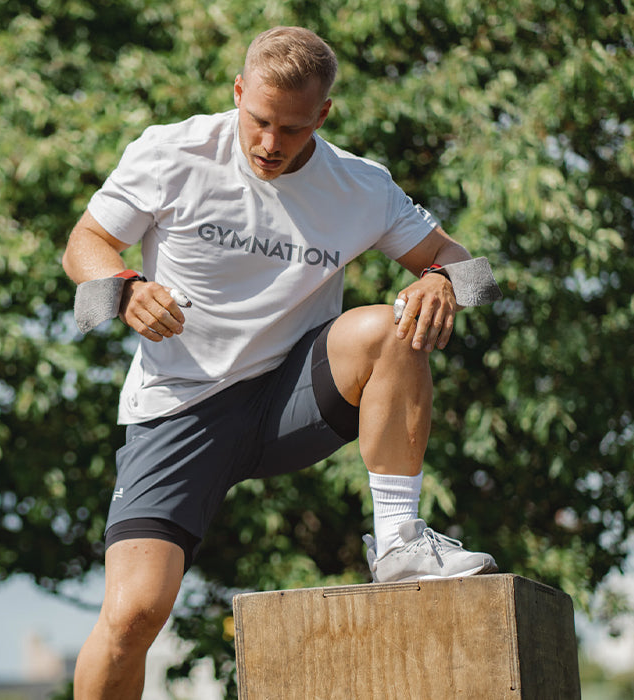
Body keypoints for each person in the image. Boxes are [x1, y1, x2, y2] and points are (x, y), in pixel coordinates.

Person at [61, 26, 499, 699]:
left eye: (291, 129)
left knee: (390, 327)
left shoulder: (361, 187)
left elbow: (474, 273)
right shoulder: (171, 152)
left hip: (291, 397)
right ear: (238, 92)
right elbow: (83, 245)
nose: (269, 144)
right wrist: (121, 290)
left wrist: (442, 280)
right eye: (259, 120)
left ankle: (400, 542)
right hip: (179, 407)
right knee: (133, 616)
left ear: (322, 116)